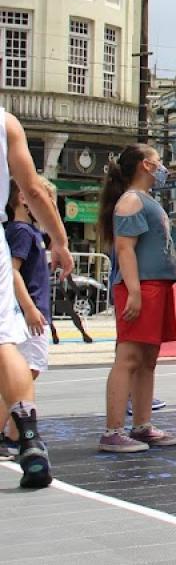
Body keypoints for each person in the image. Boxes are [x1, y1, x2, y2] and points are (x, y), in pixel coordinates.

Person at [98, 144, 176, 452]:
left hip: (155, 286)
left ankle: (141, 426)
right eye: (158, 161)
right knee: (128, 358)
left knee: (148, 361)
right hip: (141, 288)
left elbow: (150, 246)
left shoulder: (143, 201)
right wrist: (135, 292)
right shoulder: (130, 201)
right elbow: (125, 250)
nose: (163, 167)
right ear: (145, 165)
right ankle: (113, 431)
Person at [0, 110, 73, 488]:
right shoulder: (6, 123)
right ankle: (29, 440)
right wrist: (59, 240)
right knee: (4, 343)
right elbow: (32, 187)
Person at [3, 178, 55, 456]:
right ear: (24, 198)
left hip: (32, 309)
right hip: (28, 311)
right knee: (26, 370)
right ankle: (9, 432)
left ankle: (12, 432)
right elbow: (12, 272)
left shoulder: (29, 231)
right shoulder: (21, 231)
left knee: (27, 369)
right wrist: (30, 308)